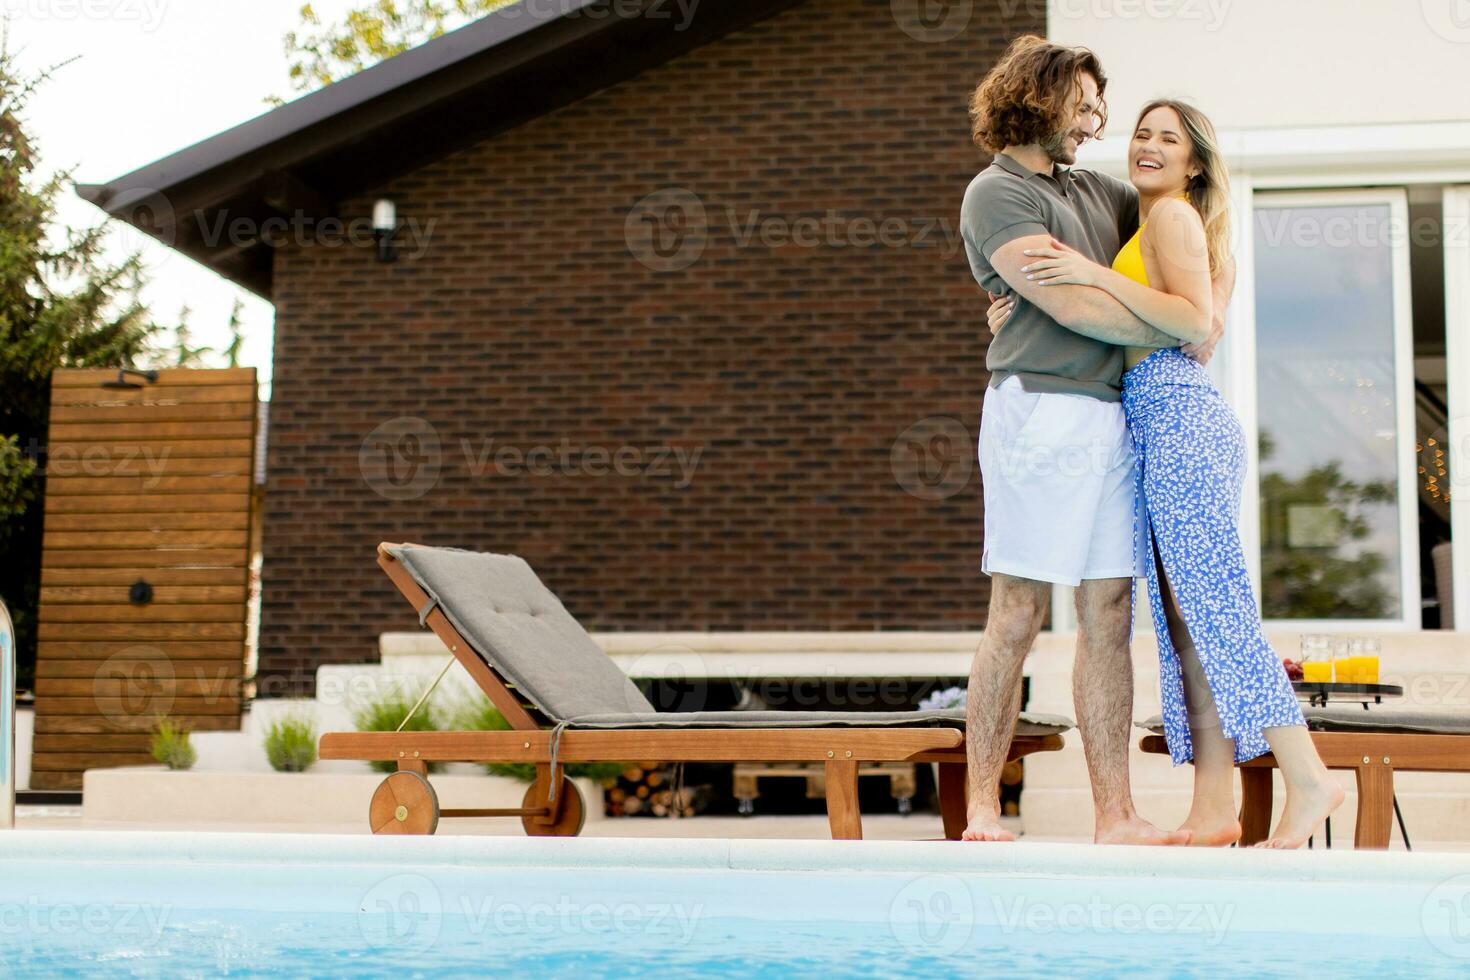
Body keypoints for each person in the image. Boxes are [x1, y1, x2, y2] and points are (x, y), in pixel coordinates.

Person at [987, 98, 1343, 848]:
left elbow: (1192, 320)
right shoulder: (1145, 220)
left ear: (1194, 162)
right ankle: (1215, 807)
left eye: (1168, 138)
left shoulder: (1173, 218)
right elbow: (1176, 317)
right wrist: (1017, 310)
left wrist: (1090, 272)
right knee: (1184, 626)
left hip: (1176, 415)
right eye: (1141, 133)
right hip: (1151, 420)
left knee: (1214, 609)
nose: (1148, 145)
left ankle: (1309, 778)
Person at [957, 35, 1218, 844]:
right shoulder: (995, 194)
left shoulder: (1101, 194)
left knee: (1109, 608)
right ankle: (981, 809)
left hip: (1117, 414)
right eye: (1084, 103)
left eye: (1102, 106)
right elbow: (1076, 310)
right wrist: (1169, 323)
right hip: (1041, 411)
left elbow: (1189, 239)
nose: (1099, 121)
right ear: (1037, 97)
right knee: (1019, 610)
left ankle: (1116, 814)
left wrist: (1195, 315)